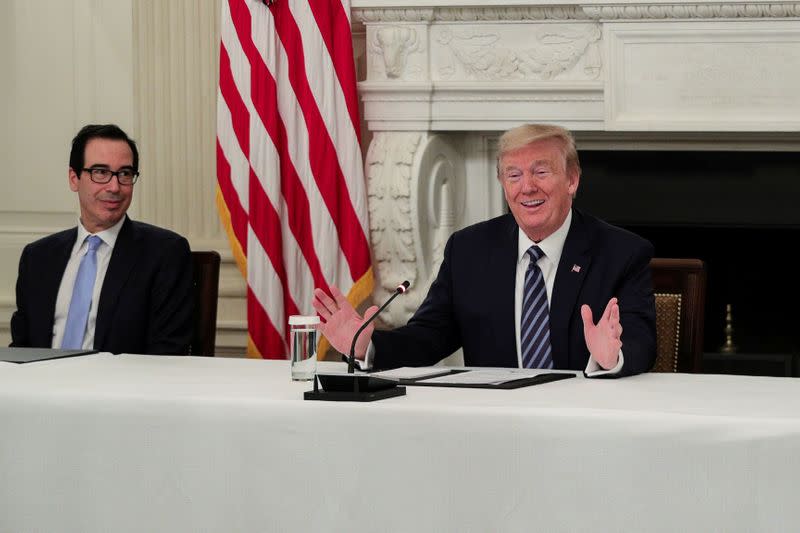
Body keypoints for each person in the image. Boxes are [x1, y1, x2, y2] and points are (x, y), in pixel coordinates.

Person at [313, 123, 656, 377]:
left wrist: (611, 358)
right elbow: (427, 338)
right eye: (514, 175)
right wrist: (365, 346)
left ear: (572, 180)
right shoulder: (468, 251)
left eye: (541, 171)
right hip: (494, 422)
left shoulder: (621, 252)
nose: (527, 187)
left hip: (583, 418)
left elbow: (642, 340)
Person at [10, 124, 193, 355]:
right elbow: (21, 350)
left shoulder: (165, 254)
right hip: (41, 386)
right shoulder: (38, 257)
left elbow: (167, 354)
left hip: (120, 388)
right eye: (101, 172)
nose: (115, 186)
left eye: (125, 174)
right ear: (74, 178)